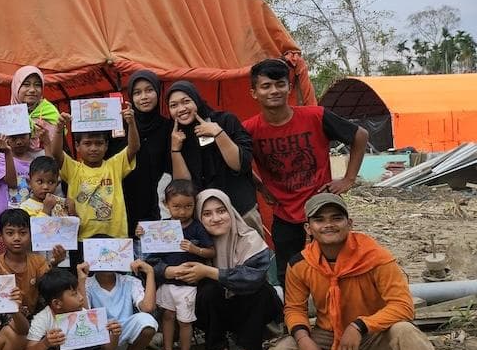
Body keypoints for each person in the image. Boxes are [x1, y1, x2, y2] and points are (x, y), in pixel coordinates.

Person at [265, 193, 467, 350]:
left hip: (374, 335)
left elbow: (403, 306)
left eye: (336, 218)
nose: (328, 224)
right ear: (309, 228)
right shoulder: (300, 264)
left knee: (406, 332)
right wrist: (304, 339)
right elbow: (294, 308)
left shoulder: (375, 257)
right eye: (320, 220)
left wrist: (360, 325)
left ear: (350, 223)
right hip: (330, 336)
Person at [243, 59, 368, 284]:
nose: (274, 91)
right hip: (284, 213)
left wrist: (349, 179)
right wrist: (260, 186)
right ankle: (293, 318)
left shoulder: (315, 116)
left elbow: (360, 135)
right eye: (266, 86)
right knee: (288, 273)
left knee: (338, 269)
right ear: (254, 92)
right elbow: (236, 160)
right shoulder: (250, 129)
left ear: (289, 88)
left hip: (323, 208)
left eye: (280, 84)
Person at [154, 189, 282, 350]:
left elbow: (253, 277)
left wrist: (208, 271)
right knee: (208, 290)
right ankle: (215, 342)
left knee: (262, 292)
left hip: (247, 308)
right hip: (214, 311)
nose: (216, 218)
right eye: (207, 214)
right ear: (199, 216)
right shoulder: (191, 239)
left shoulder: (249, 238)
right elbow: (154, 261)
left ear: (231, 211)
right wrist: (168, 270)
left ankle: (250, 344)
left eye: (221, 211)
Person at [165, 81, 261, 235]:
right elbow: (184, 185)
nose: (181, 109)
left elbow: (240, 164)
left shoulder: (225, 120)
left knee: (252, 258)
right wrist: (175, 149)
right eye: (173, 105)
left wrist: (218, 133)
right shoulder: (174, 136)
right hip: (205, 219)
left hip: (241, 211)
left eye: (186, 101)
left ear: (196, 100)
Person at [140, 179, 213, 350]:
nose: (182, 212)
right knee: (168, 317)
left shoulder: (197, 228)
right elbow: (151, 254)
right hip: (167, 283)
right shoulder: (162, 226)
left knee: (186, 321)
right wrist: (142, 234)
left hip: (188, 285)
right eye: (177, 207)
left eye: (188, 206)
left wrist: (194, 249)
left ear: (194, 205)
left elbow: (210, 251)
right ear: (166, 204)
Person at [50, 100, 138, 239]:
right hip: (80, 237)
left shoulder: (114, 166)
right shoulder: (73, 169)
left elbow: (133, 148)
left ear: (106, 145)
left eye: (99, 143)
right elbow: (56, 153)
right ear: (77, 146)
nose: (93, 148)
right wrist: (59, 128)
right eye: (87, 143)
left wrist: (131, 123)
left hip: (114, 236)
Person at [84, 256, 158, 350]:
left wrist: (150, 272)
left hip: (125, 335)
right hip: (101, 337)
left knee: (148, 322)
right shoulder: (86, 284)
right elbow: (83, 314)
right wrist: (81, 279)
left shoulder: (129, 281)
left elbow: (147, 307)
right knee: (85, 323)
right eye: (99, 256)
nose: (106, 261)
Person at [119, 70, 173, 233]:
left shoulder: (168, 127)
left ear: (158, 92)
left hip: (158, 203)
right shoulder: (119, 128)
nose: (144, 97)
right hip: (125, 201)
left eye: (149, 90)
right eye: (137, 92)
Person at [0, 208, 66, 314]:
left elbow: (47, 285)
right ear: (0, 237)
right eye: (10, 233)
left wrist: (55, 263)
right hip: (2, 318)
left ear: (31, 235)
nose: (17, 238)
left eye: (23, 233)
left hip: (32, 316)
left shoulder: (38, 262)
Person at [10, 66, 59, 154]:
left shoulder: (50, 112)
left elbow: (59, 149)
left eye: (37, 85)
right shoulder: (7, 116)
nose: (32, 90)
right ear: (16, 87)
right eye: (26, 84)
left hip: (46, 164)